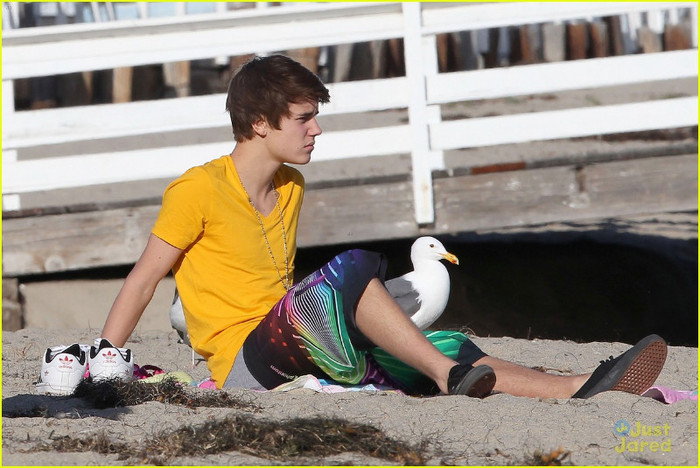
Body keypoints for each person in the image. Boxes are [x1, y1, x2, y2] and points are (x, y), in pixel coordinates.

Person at [100, 54, 667, 399]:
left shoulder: (292, 187)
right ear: (258, 122)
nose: (316, 129)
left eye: (315, 116)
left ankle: (575, 388)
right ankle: (445, 375)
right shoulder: (198, 189)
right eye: (303, 118)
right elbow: (145, 279)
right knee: (353, 267)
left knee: (441, 342)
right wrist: (100, 360)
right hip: (244, 362)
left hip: (299, 342)